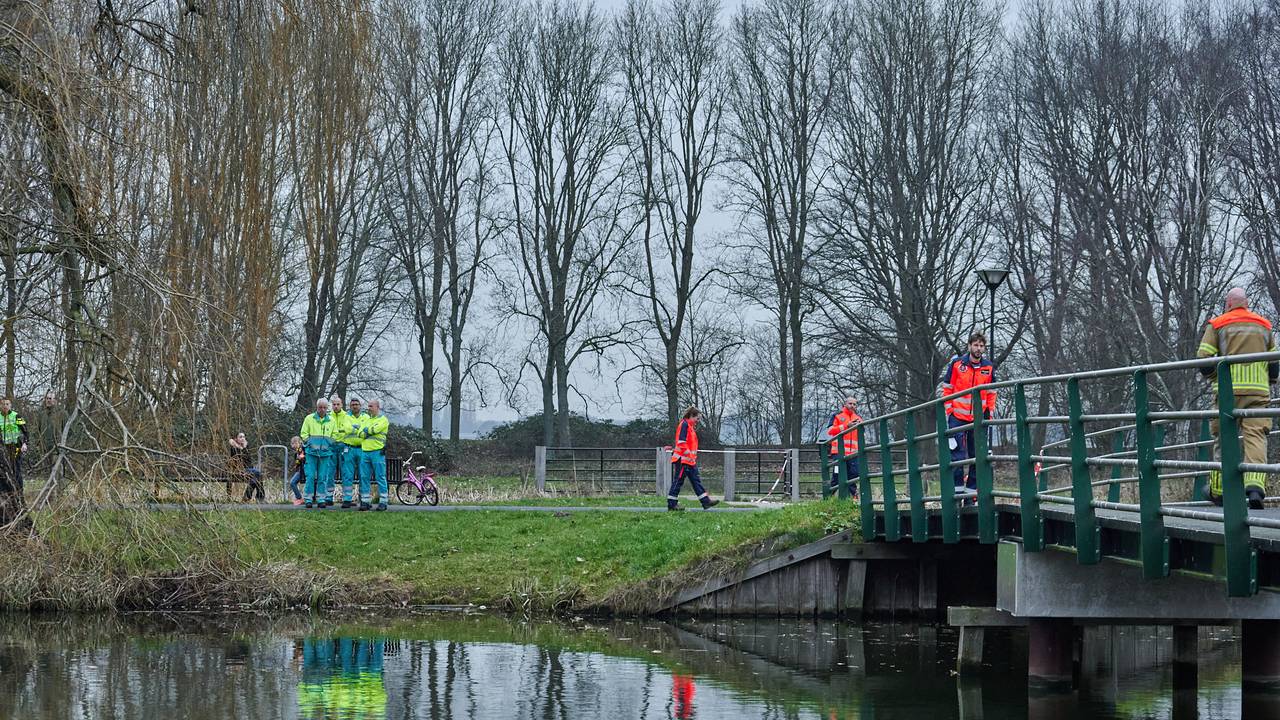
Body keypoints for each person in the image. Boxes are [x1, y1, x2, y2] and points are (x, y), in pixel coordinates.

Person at [1197, 287, 1279, 510]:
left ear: (1229, 303)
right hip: (1257, 393)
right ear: (1246, 303)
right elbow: (1274, 364)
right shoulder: (1264, 325)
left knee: (1223, 440)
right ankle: (1255, 489)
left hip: (1227, 393)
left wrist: (1218, 375)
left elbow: (1203, 361)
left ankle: (1220, 491)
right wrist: (1268, 381)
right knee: (1256, 439)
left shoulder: (1218, 324)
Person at [939, 332, 996, 503]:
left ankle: (970, 496)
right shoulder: (957, 364)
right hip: (957, 416)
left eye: (981, 346)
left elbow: (992, 392)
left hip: (979, 419)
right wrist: (949, 410)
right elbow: (947, 388)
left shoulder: (989, 367)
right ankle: (956, 495)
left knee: (977, 458)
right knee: (956, 457)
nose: (978, 348)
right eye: (976, 345)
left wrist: (990, 413)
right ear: (969, 346)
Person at [667, 406, 719, 511]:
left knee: (696, 481)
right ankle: (672, 504)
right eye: (697, 418)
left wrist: (691, 457)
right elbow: (681, 443)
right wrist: (689, 455)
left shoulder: (689, 426)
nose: (698, 421)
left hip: (689, 461)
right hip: (683, 460)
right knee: (678, 481)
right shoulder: (684, 425)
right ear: (691, 416)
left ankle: (706, 501)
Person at [300, 398, 339, 508]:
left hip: (325, 454)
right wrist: (310, 443)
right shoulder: (309, 418)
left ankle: (321, 498)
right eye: (320, 407)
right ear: (316, 407)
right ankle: (308, 499)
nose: (322, 409)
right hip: (311, 453)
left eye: (324, 407)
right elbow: (303, 434)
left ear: (327, 408)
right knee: (310, 476)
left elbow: (335, 435)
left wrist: (328, 444)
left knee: (323, 477)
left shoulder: (332, 420)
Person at [824, 396, 861, 498]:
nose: (852, 406)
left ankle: (853, 497)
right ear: (845, 404)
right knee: (837, 475)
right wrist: (846, 426)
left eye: (854, 404)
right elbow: (830, 431)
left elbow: (861, 434)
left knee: (854, 474)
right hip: (839, 453)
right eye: (850, 403)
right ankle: (829, 498)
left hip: (853, 453)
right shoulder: (837, 415)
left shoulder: (858, 418)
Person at [359, 398, 390, 512]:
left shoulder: (383, 419)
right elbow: (360, 433)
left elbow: (375, 429)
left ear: (377, 407)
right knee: (364, 477)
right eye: (368, 406)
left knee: (380, 477)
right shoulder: (366, 420)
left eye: (371, 406)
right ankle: (365, 502)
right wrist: (367, 431)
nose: (369, 408)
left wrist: (367, 431)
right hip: (365, 451)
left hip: (377, 451)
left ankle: (383, 502)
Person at [337, 396, 368, 509]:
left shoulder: (366, 416)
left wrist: (355, 428)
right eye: (353, 405)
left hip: (362, 449)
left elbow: (367, 429)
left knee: (363, 475)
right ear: (350, 406)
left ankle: (364, 500)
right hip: (349, 449)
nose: (355, 406)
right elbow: (348, 429)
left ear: (360, 406)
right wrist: (359, 428)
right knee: (347, 475)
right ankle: (347, 499)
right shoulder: (346, 416)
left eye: (356, 404)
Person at [0, 397, 28, 521]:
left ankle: (19, 494)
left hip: (15, 447)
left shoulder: (17, 416)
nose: (5, 406)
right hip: (4, 448)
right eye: (3, 404)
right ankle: (7, 494)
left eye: (7, 404)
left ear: (10, 405)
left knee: (16, 471)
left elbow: (25, 431)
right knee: (6, 472)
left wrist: (25, 443)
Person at [228, 432, 264, 502]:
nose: (243, 439)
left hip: (248, 469)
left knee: (255, 477)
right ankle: (258, 497)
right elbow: (240, 458)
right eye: (240, 437)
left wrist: (244, 447)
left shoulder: (245, 447)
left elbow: (248, 461)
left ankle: (248, 497)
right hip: (239, 470)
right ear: (236, 439)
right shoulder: (234, 448)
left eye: (244, 437)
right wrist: (241, 447)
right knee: (258, 474)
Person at [288, 435, 306, 506]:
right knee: (292, 482)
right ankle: (299, 498)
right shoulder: (297, 452)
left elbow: (305, 459)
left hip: (303, 470)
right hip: (300, 470)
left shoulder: (303, 450)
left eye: (295, 443)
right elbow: (297, 462)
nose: (293, 445)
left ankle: (299, 498)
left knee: (292, 482)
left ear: (299, 443)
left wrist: (302, 458)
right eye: (292, 443)